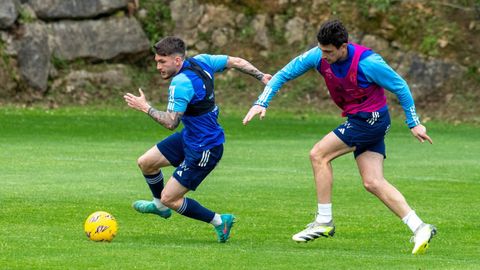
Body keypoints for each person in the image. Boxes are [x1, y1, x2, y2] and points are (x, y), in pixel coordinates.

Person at [243, 20, 436, 254]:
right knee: (373, 182)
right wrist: (261, 102)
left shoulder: (369, 63)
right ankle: (420, 227)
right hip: (366, 120)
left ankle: (324, 221)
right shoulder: (318, 55)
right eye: (321, 50)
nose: (324, 56)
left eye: (329, 52)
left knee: (319, 155)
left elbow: (401, 87)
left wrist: (414, 123)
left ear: (343, 46)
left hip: (369, 120)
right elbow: (283, 75)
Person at [124, 36, 271, 243]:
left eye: (162, 62)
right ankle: (159, 206)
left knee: (171, 198)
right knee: (146, 163)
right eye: (157, 61)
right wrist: (260, 76)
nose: (158, 66)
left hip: (205, 148)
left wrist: (145, 107)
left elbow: (170, 122)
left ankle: (220, 221)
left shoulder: (181, 83)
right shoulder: (202, 60)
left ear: (177, 60)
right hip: (191, 136)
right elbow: (236, 61)